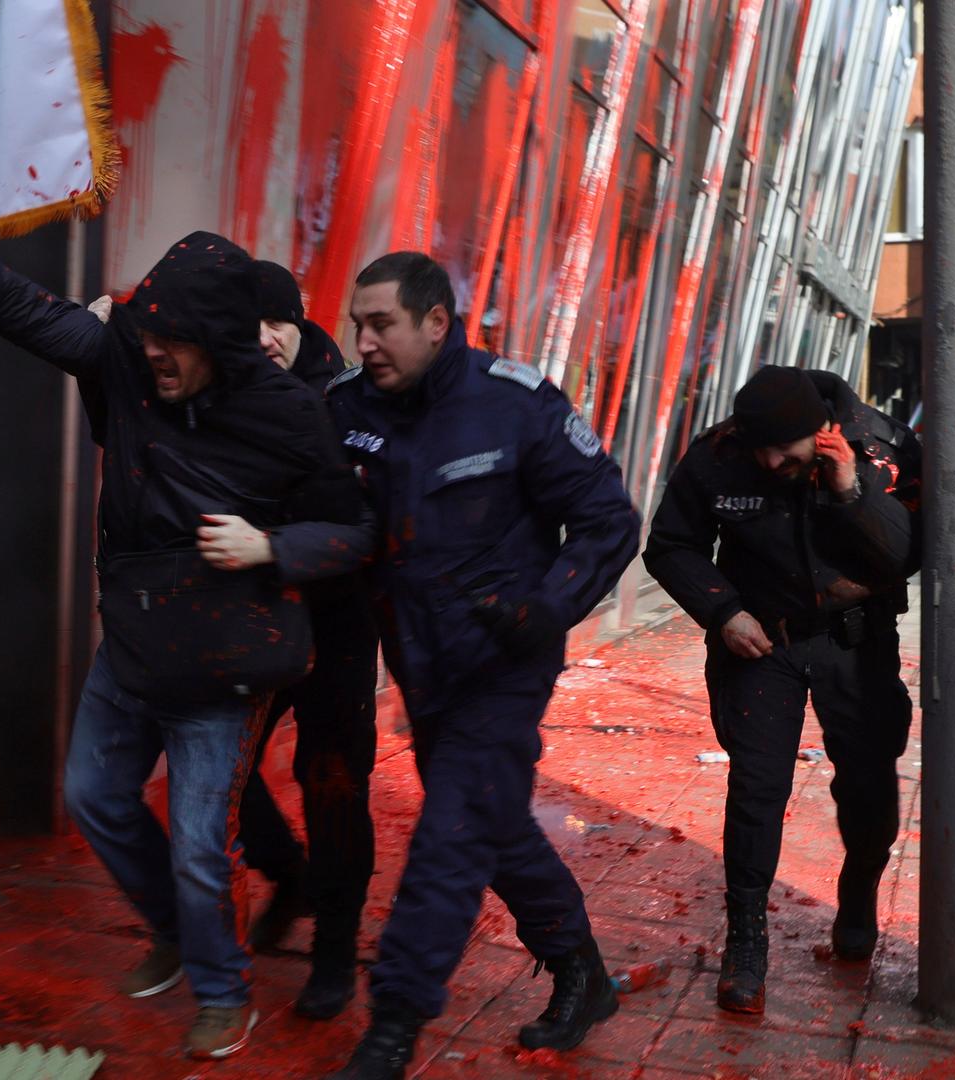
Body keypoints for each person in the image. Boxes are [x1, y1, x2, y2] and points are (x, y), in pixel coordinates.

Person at [0, 233, 371, 1059]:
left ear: (219, 338)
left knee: (204, 846)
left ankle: (222, 992)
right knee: (93, 795)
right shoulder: (130, 365)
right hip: (136, 640)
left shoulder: (289, 413)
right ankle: (178, 931)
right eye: (145, 337)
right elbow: (42, 320)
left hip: (229, 661)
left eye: (173, 342)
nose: (154, 355)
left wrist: (273, 547)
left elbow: (353, 532)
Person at [322, 252, 639, 1078]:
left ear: (435, 322)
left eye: (381, 322)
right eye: (357, 323)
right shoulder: (345, 407)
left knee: (453, 829)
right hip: (419, 662)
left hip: (504, 658)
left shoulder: (513, 404)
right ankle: (581, 970)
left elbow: (608, 520)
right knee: (489, 823)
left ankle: (393, 1024)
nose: (364, 340)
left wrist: (547, 606)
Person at [642, 364, 920, 1014]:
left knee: (868, 782)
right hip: (760, 639)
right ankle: (746, 944)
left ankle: (856, 903)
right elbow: (671, 544)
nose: (769, 461)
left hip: (856, 642)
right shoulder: (720, 453)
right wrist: (722, 610)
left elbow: (908, 554)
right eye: (758, 447)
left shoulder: (882, 447)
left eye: (784, 450)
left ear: (823, 432)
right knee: (756, 789)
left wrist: (853, 491)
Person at [197, 261, 381, 1022]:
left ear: (302, 322)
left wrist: (275, 545)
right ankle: (289, 874)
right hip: (254, 623)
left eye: (278, 321)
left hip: (336, 626)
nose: (265, 338)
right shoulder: (224, 395)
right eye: (250, 326)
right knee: (218, 778)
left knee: (333, 787)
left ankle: (333, 954)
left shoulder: (348, 403)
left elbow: (366, 531)